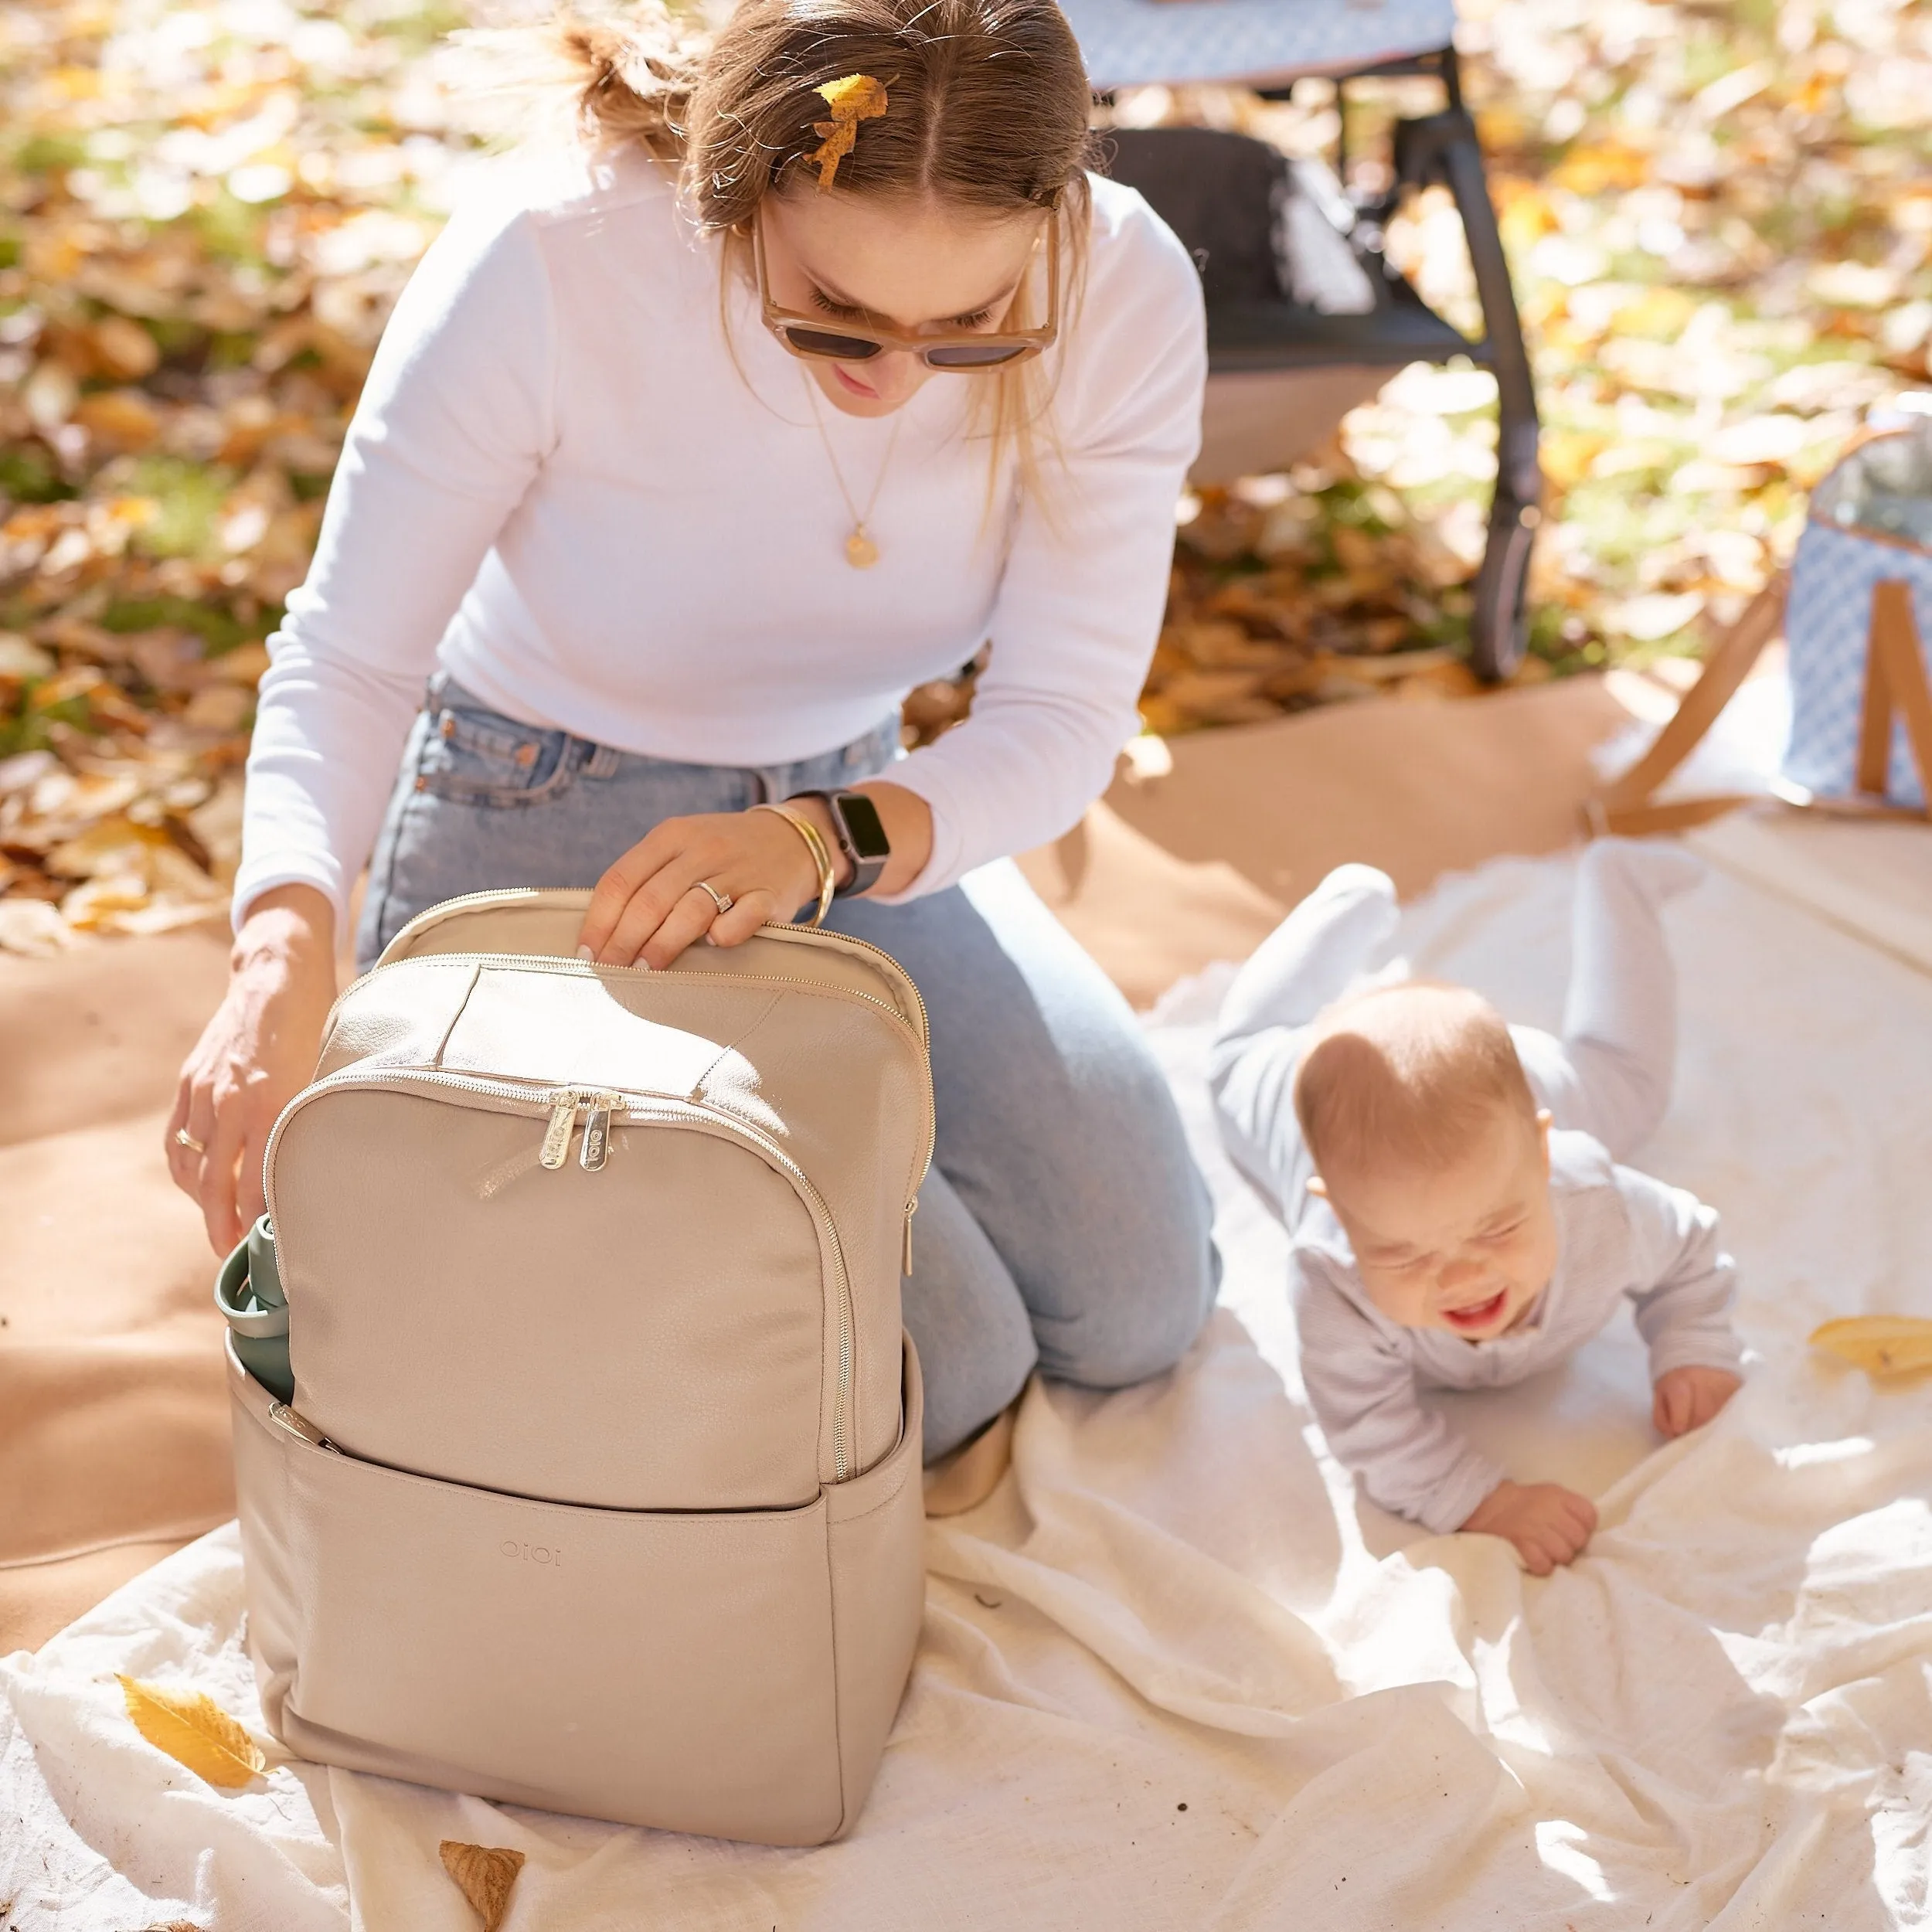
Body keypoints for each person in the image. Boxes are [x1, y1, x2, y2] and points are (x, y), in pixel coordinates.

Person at [165, 0, 1218, 1469]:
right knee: (946, 1368)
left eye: (970, 331)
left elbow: (1060, 716)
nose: (891, 378)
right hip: (535, 805)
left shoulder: (1123, 288)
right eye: (831, 313)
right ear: (731, 193)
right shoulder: (554, 255)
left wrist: (816, 839)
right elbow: (348, 650)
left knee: (1138, 1299)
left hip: (850, 821)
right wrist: (281, 949)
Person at [1206, 843, 1744, 1574]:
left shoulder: (1591, 1199)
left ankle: (1616, 882)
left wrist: (1692, 1344)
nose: (1462, 1276)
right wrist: (1483, 1501)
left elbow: (1688, 1251)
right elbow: (1369, 1427)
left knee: (1634, 1080)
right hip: (1312, 1098)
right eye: (1403, 1253)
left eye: (1497, 1228)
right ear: (1337, 1211)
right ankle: (1347, 906)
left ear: (1545, 1158)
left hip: (1522, 1087)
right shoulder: (1334, 1278)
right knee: (1238, 1055)